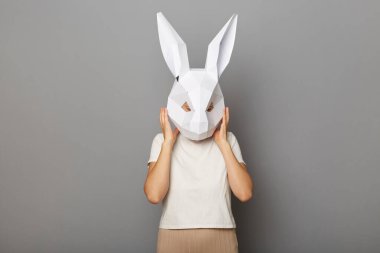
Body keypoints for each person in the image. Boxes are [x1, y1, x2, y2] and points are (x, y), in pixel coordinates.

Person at [144, 106, 254, 253]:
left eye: (207, 107)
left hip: (221, 236)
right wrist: (168, 143)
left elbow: (244, 193)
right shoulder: (162, 141)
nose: (197, 112)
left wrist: (223, 144)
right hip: (173, 237)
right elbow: (154, 195)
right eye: (189, 107)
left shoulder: (228, 139)